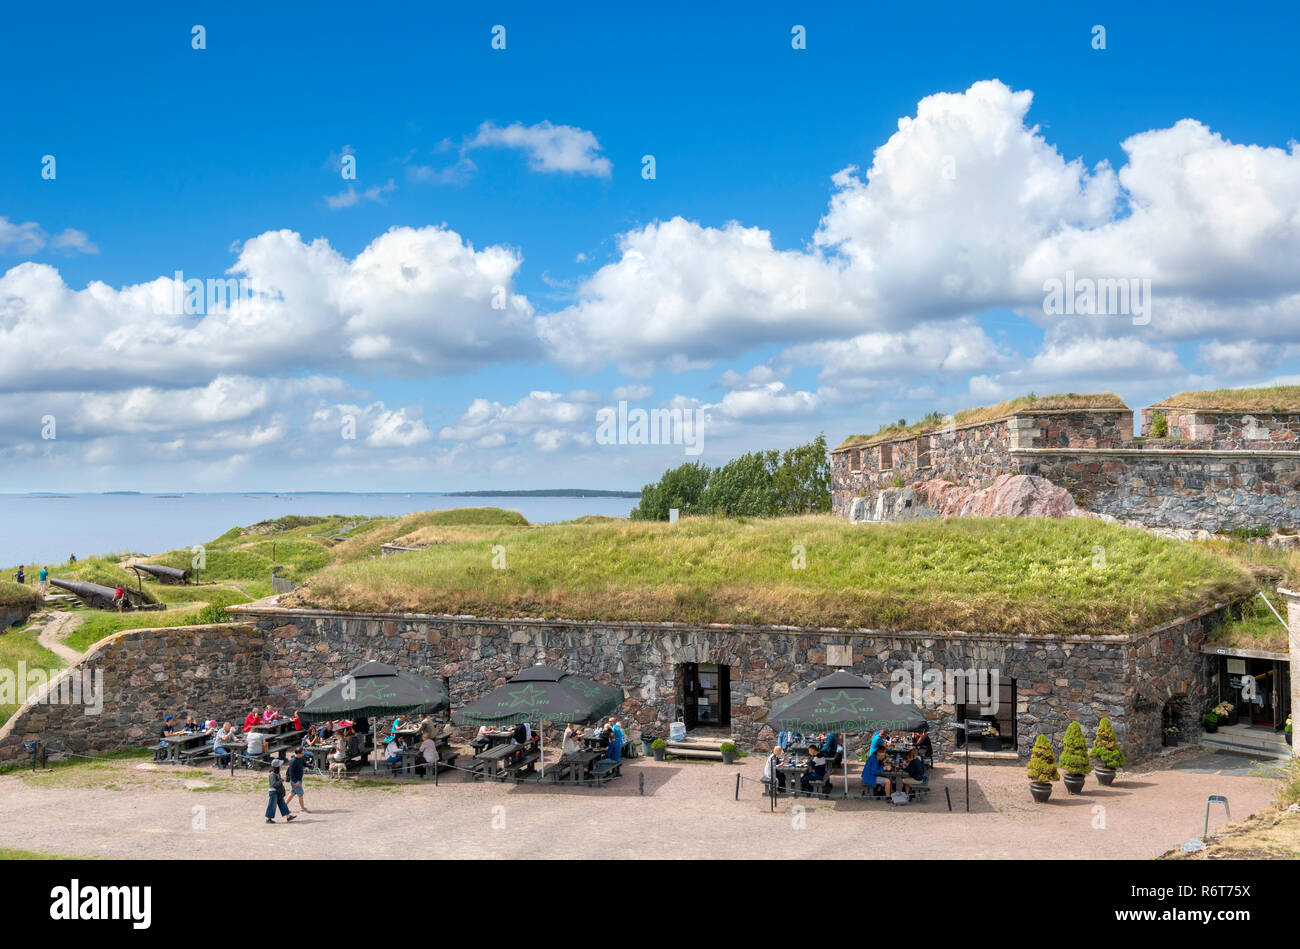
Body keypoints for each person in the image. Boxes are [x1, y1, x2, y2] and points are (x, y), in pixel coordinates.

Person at [265, 759, 296, 824]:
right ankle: (268, 819)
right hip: (273, 792)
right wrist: (281, 780)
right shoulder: (272, 774)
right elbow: (273, 784)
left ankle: (288, 816)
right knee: (272, 805)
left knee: (282, 803)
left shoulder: (277, 773)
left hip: (278, 791)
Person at [286, 747, 309, 812]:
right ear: (298, 753)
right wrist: (295, 781)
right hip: (295, 781)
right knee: (300, 794)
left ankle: (284, 806)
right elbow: (291, 773)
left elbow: (305, 764)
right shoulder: (293, 761)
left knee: (292, 793)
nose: (303, 754)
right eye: (302, 753)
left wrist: (311, 765)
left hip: (299, 780)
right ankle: (303, 808)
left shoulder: (301, 758)